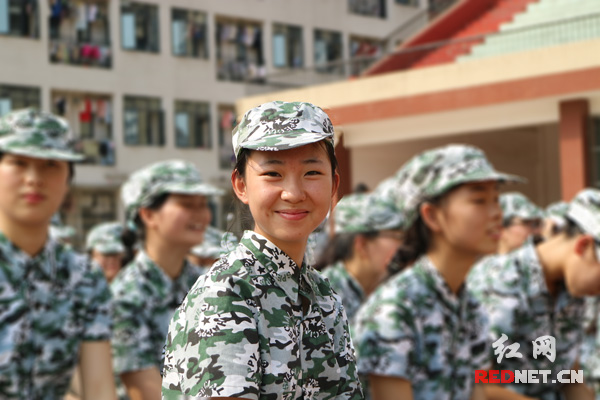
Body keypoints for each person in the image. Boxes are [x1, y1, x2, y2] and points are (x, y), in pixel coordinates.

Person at [162, 100, 363, 399]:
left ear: (334, 185)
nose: (293, 193)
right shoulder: (227, 293)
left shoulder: (323, 295)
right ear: (241, 185)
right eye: (273, 174)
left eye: (311, 173)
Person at [353, 144, 522, 400]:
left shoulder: (470, 306)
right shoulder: (395, 309)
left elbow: (477, 392)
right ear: (432, 216)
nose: (497, 213)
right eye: (479, 200)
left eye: (496, 199)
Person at [0, 108, 115, 399]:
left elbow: (99, 388)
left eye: (50, 164)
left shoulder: (84, 277)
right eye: (19, 162)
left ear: (67, 180)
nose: (34, 178)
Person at [468, 188, 600, 399]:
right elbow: (474, 381)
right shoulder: (499, 281)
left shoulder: (572, 289)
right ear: (583, 246)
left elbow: (568, 375)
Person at [111, 160, 222, 400]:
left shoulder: (209, 284)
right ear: (149, 215)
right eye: (187, 204)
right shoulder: (125, 297)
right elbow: (147, 392)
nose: (201, 214)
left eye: (203, 204)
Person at [318, 191, 404, 324]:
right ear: (362, 245)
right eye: (396, 237)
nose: (402, 246)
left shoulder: (381, 287)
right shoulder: (325, 298)